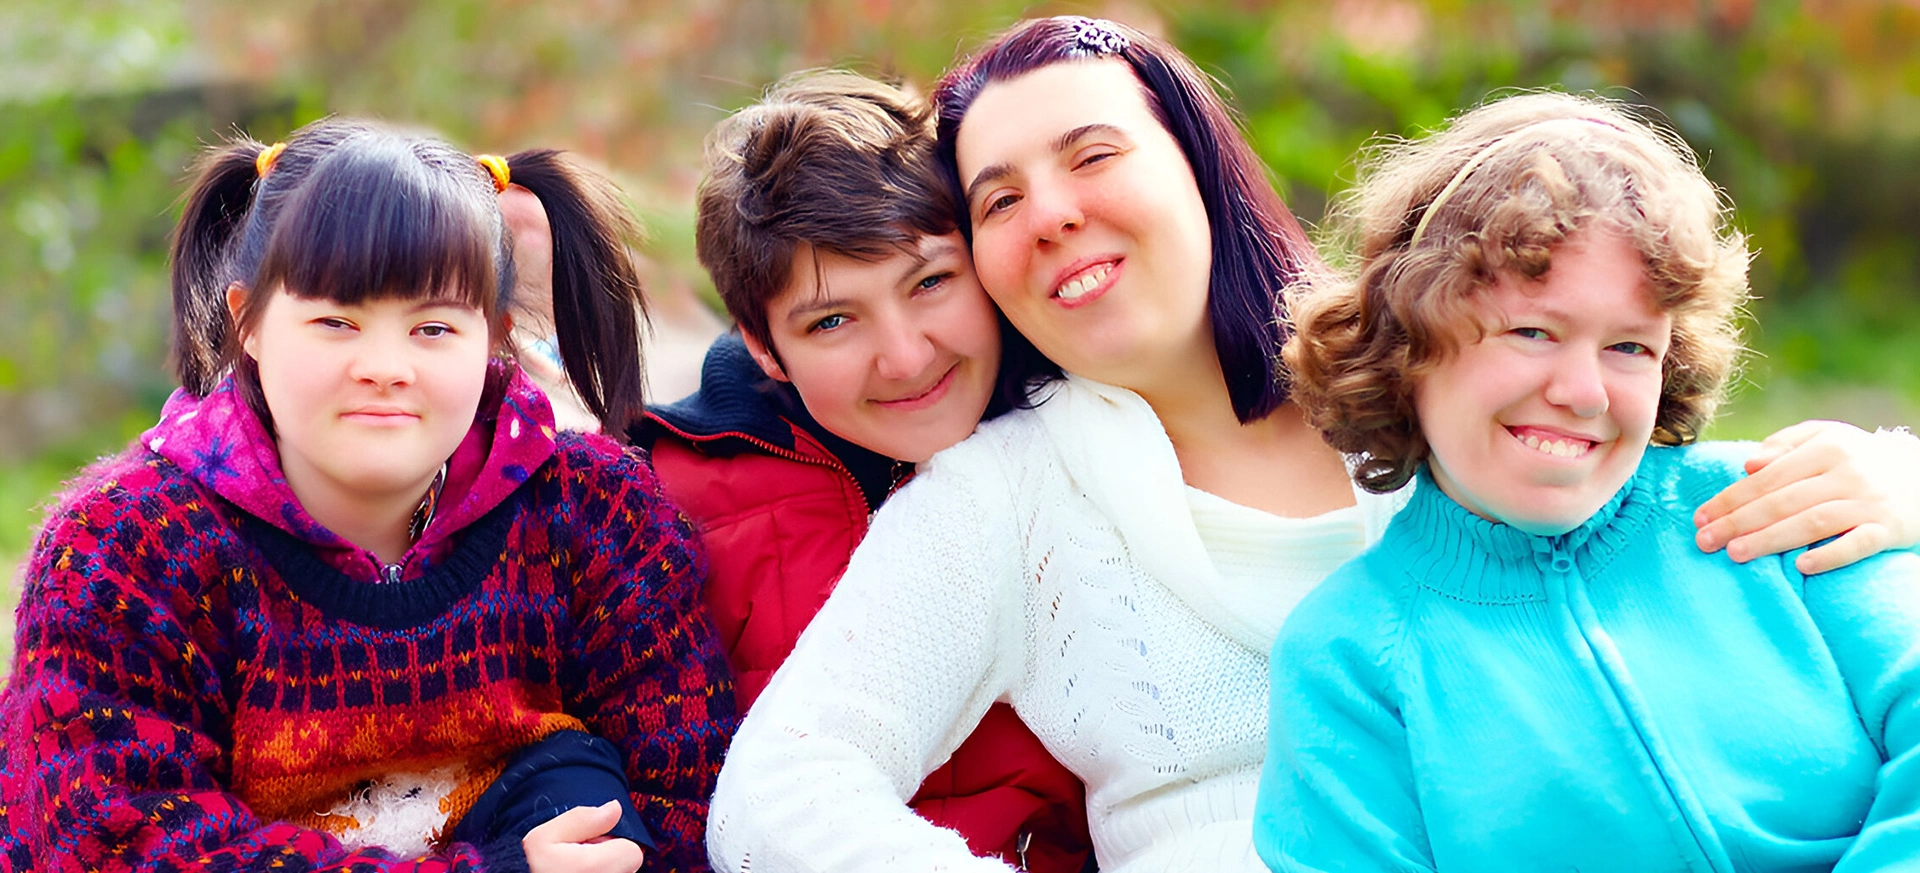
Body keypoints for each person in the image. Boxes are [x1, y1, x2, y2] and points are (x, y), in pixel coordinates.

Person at [705, 16, 1920, 873]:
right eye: (1000, 198)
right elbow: (780, 796)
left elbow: (1625, 424)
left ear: (1197, 164)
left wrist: (1894, 474)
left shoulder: (1426, 351)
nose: (1055, 211)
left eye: (1091, 155)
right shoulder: (1005, 498)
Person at [0, 118, 736, 872]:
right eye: (335, 321)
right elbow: (116, 841)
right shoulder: (125, 551)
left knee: (575, 780)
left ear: (494, 338)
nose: (384, 366)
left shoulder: (597, 514)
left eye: (433, 328)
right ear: (246, 321)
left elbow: (686, 794)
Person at [1257, 91, 1920, 871]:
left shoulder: (1773, 503)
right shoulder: (1349, 654)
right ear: (1409, 341)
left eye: (1631, 347)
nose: (1585, 392)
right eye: (1534, 331)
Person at [632, 70, 1092, 872]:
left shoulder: (1089, 444)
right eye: (834, 319)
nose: (907, 355)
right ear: (763, 343)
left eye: (931, 281)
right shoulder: (655, 512)